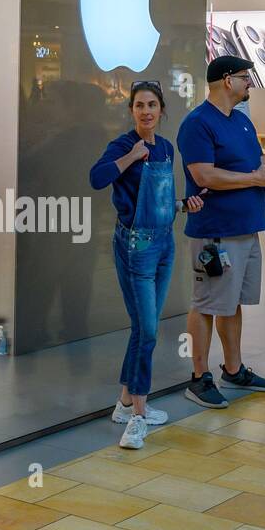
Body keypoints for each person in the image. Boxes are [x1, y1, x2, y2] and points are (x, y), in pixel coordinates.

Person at [90, 81, 204, 449]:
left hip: (164, 243)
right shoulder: (123, 145)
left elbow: (162, 201)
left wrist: (185, 205)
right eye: (139, 105)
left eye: (152, 105)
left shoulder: (167, 148)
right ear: (131, 110)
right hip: (135, 245)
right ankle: (138, 417)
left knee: (143, 328)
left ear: (161, 109)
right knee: (149, 330)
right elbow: (96, 178)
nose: (146, 111)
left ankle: (125, 403)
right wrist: (130, 157)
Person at [177, 55, 265, 409]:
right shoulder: (197, 124)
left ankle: (233, 369)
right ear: (226, 81)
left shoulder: (241, 122)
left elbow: (251, 165)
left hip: (246, 229)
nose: (249, 82)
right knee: (206, 303)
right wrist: (253, 179)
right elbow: (205, 175)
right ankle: (198, 376)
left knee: (231, 302)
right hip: (216, 233)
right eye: (244, 77)